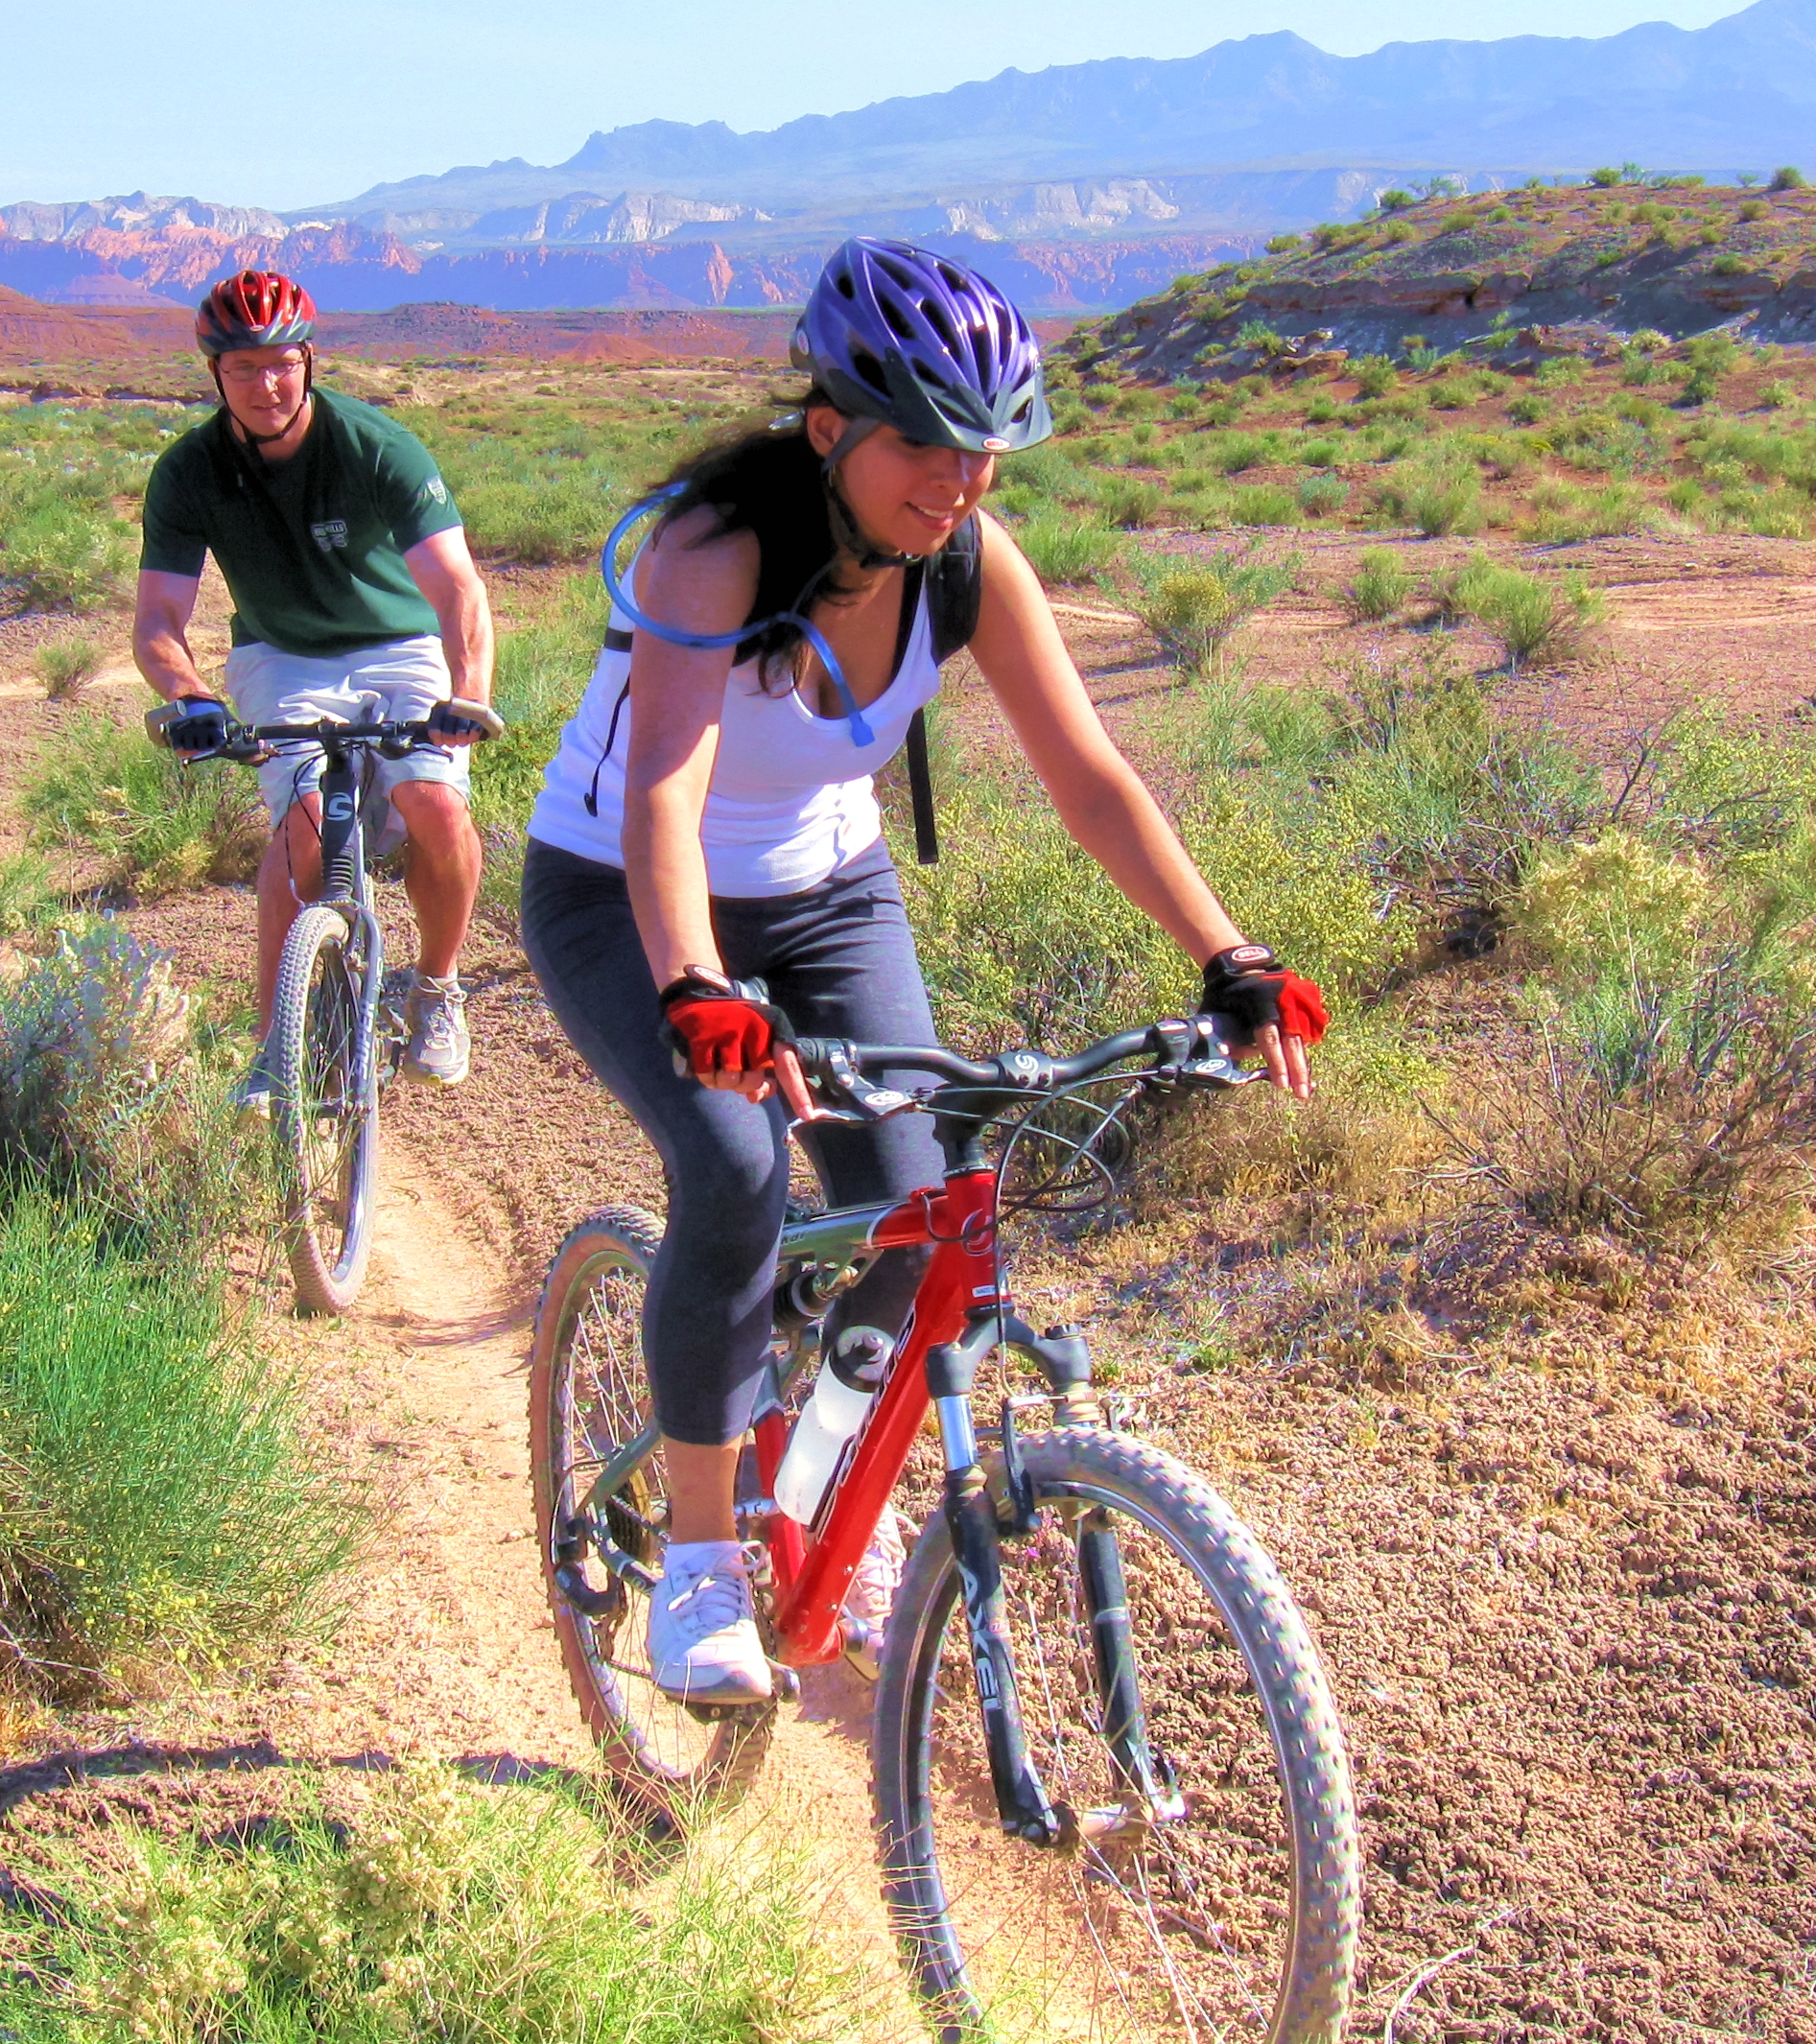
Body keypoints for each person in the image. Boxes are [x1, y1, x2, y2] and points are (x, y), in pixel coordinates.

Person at [515, 238, 1328, 1703]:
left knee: (920, 1210)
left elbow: (1089, 776)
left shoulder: (964, 562)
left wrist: (1230, 950)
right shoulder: (712, 552)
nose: (957, 484)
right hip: (625, 894)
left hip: (829, 893)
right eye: (926, 448)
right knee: (735, 1171)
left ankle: (820, 1487)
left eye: (986, 455)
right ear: (829, 429)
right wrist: (698, 985)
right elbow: (663, 806)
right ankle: (698, 1566)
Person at [134, 269, 498, 1095]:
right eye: (242, 368)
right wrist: (190, 697)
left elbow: (457, 590)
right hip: (282, 655)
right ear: (215, 375)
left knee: (435, 803)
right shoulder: (189, 472)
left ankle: (437, 990)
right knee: (301, 830)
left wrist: (467, 692)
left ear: (308, 359)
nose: (265, 385)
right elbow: (158, 618)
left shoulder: (375, 445)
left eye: (280, 363)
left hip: (400, 644)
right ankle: (275, 1044)